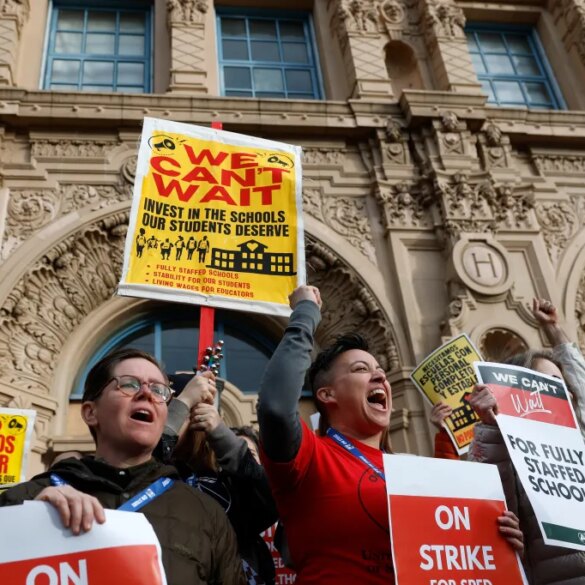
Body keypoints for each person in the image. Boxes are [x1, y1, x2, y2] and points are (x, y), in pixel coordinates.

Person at [257, 285, 524, 585]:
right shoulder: (311, 458)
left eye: (381, 370)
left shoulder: (410, 471)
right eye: (360, 369)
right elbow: (276, 407)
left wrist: (496, 539)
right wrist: (305, 315)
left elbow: (455, 554)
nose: (381, 376)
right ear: (326, 394)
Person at [0, 348, 245, 585]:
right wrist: (29, 522)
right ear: (90, 413)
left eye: (160, 390)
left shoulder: (206, 513)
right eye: (129, 384)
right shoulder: (24, 501)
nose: (147, 394)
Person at [468, 298, 585, 584]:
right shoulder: (508, 451)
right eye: (548, 385)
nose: (562, 393)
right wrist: (489, 423)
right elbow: (487, 501)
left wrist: (554, 329)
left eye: (562, 384)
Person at [160, 374, 278, 585]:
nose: (167, 420)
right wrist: (183, 404)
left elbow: (270, 503)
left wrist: (220, 433)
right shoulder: (154, 473)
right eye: (172, 412)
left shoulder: (227, 478)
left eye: (177, 412)